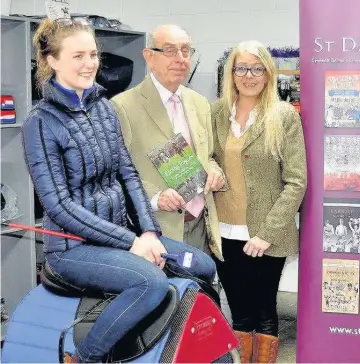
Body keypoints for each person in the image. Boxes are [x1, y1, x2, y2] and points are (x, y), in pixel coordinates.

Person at [23, 18, 216, 363]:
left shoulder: (102, 108)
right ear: (53, 61)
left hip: (124, 235)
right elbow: (60, 206)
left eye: (93, 54)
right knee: (150, 283)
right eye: (78, 56)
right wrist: (132, 243)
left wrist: (149, 232)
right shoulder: (40, 121)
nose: (89, 64)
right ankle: (85, 357)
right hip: (73, 248)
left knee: (200, 264)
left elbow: (127, 174)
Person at [211, 40, 307, 363]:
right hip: (224, 229)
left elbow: (297, 181)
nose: (248, 75)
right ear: (232, 73)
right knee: (238, 312)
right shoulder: (216, 113)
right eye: (241, 68)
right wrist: (211, 166)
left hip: (266, 235)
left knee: (265, 309)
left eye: (256, 68)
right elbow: (205, 156)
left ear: (268, 72)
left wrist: (266, 233)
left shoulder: (283, 117)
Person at [111, 24, 226, 259]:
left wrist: (214, 171)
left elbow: (209, 156)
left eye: (186, 50)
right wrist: (154, 197)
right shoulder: (122, 106)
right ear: (149, 57)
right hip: (157, 230)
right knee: (167, 296)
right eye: (170, 50)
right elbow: (114, 173)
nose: (181, 59)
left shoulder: (200, 103)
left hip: (200, 226)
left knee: (198, 294)